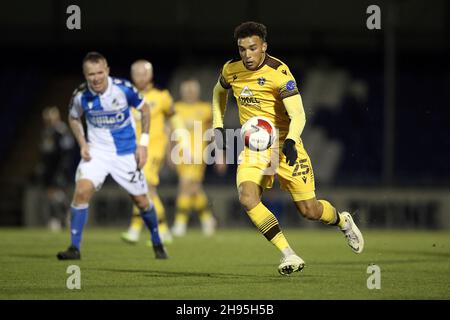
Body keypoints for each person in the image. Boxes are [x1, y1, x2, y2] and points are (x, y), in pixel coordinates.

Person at [212, 22, 364, 275]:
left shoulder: (279, 73)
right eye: (242, 49)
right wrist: (217, 127)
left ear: (264, 47)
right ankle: (289, 254)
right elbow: (218, 92)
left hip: (284, 145)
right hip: (255, 148)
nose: (247, 55)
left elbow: (299, 114)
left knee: (310, 210)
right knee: (247, 197)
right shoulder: (231, 70)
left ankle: (342, 220)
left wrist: (292, 141)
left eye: (252, 48)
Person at [57, 52, 168, 260]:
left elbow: (145, 110)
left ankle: (157, 240)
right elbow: (73, 117)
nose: (96, 78)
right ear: (85, 74)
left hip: (125, 154)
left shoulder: (123, 89)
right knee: (81, 191)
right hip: (97, 153)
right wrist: (82, 143)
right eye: (91, 74)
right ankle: (74, 248)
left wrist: (142, 144)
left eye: (100, 72)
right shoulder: (81, 94)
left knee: (142, 201)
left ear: (107, 71)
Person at [120, 59, 187, 245]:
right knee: (143, 190)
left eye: (144, 73)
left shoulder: (162, 96)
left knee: (145, 187)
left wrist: (183, 140)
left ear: (150, 75)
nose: (140, 77)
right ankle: (163, 230)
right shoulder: (127, 97)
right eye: (137, 74)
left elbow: (174, 118)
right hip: (131, 150)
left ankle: (135, 229)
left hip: (153, 149)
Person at [171, 79, 221, 237]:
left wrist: (220, 154)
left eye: (193, 90)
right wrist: (169, 153)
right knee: (194, 188)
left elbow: (214, 133)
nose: (190, 93)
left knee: (185, 184)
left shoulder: (205, 109)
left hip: (198, 154)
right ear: (182, 92)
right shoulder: (176, 108)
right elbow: (169, 133)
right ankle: (207, 219)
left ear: (197, 92)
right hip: (180, 154)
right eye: (187, 90)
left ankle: (180, 223)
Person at [36, 106, 75, 231]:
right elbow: (44, 151)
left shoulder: (61, 131)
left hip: (59, 167)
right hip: (49, 168)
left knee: (56, 193)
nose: (48, 120)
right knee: (52, 194)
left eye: (50, 118)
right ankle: (60, 217)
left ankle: (62, 216)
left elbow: (67, 150)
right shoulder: (46, 132)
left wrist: (63, 167)